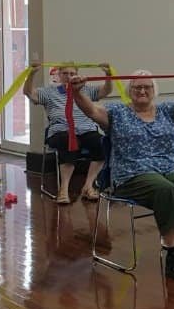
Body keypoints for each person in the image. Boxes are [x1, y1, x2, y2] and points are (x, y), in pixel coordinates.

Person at [71, 69, 174, 280]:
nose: (142, 91)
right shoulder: (117, 113)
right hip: (131, 174)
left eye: (146, 87)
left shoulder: (167, 111)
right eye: (137, 87)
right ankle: (173, 253)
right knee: (165, 189)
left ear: (154, 90)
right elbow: (92, 110)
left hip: (170, 168)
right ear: (129, 91)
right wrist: (77, 93)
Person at [24, 62, 113, 204]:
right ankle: (63, 190)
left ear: (77, 75)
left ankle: (88, 186)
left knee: (103, 143)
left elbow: (106, 90)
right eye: (65, 73)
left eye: (72, 74)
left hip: (86, 130)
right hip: (60, 132)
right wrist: (32, 73)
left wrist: (108, 74)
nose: (69, 76)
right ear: (58, 75)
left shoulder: (86, 90)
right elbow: (29, 93)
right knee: (70, 141)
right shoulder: (49, 92)